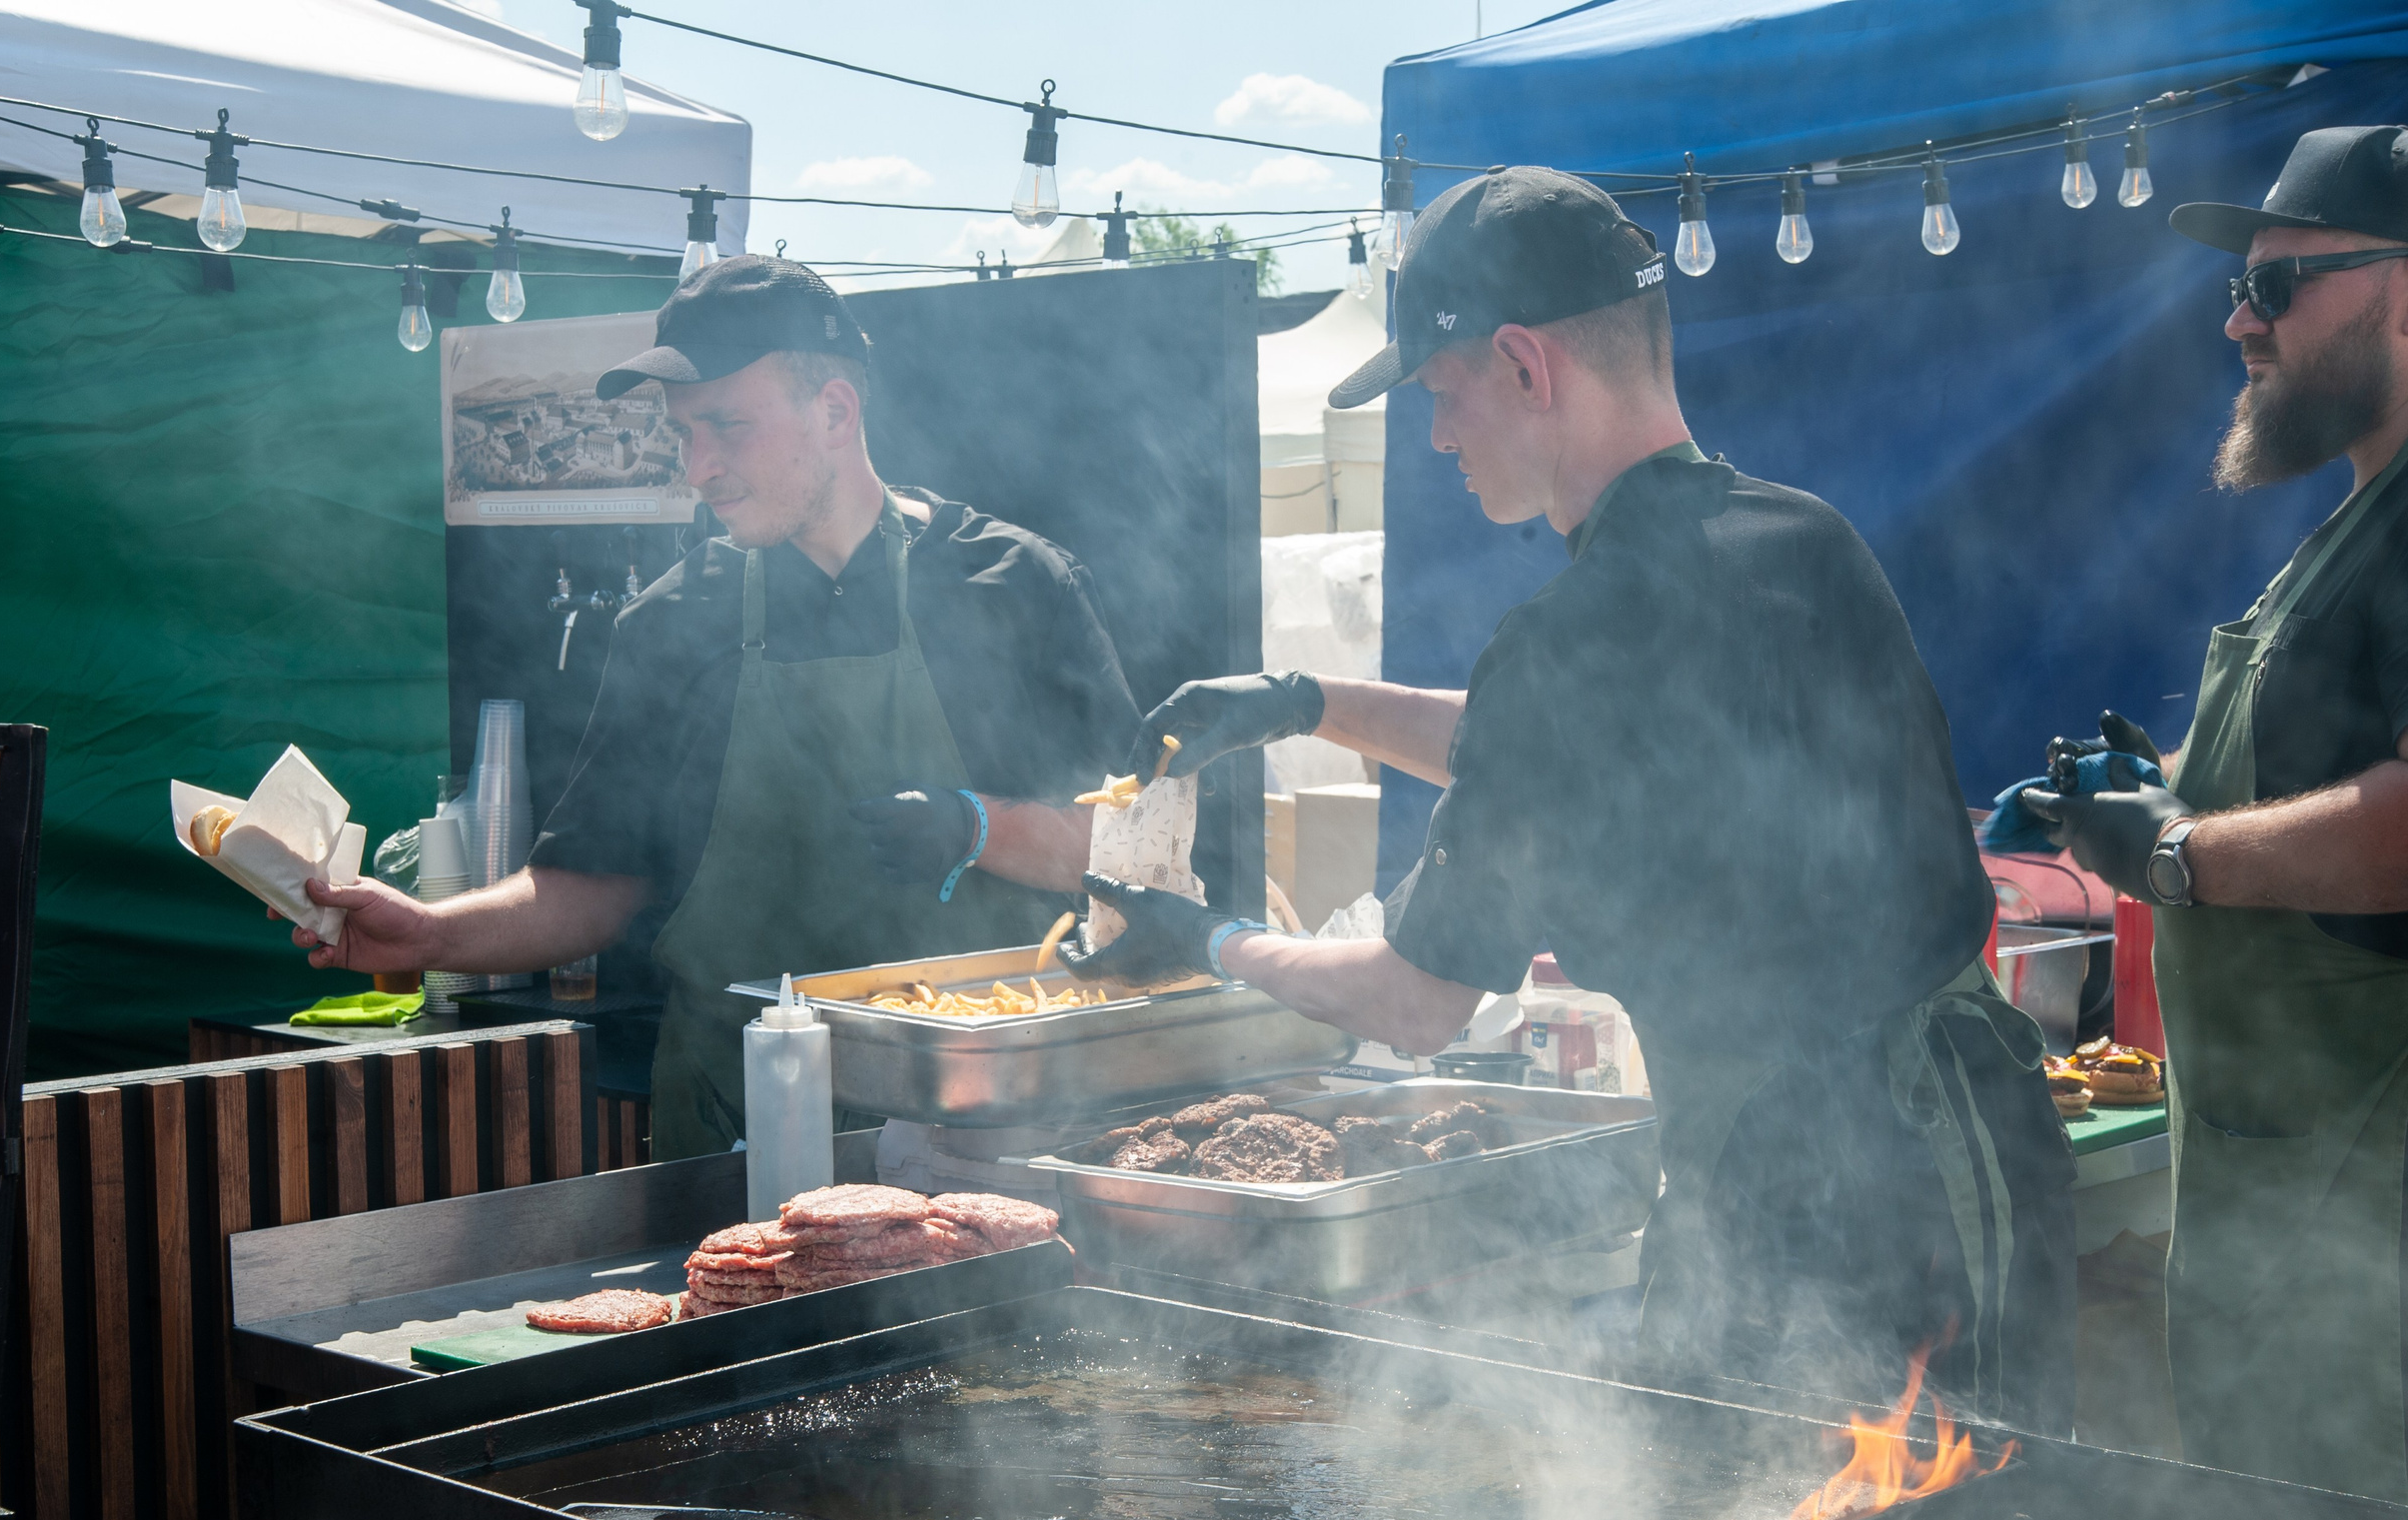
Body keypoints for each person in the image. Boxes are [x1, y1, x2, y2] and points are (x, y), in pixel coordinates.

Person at [1069, 168, 2077, 1430]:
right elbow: (1568, 760)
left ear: (1524, 367)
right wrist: (1304, 700)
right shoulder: (1799, 539)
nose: (1437, 436)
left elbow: (1412, 1003)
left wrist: (1207, 938)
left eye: (1441, 392)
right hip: (1967, 1151)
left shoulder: (1574, 634)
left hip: (1813, 1208)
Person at [281, 257, 1138, 1156]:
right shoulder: (675, 620)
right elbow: (593, 882)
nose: (700, 468)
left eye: (728, 425)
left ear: (836, 412)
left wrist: (978, 826)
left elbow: (1133, 855)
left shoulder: (1010, 584)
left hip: (981, 1114)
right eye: (684, 433)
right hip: (743, 1121)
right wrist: (427, 932)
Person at [2020, 127, 2408, 1501]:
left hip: (2371, 1271)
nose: (2239, 319)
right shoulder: (2357, 518)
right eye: (2236, 288)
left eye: (2278, 284)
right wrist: (2154, 796)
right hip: (2282, 1240)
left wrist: (2178, 855)